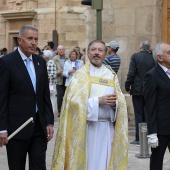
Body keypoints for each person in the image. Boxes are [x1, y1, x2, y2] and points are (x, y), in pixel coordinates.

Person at [51, 40, 128, 170]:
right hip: (86, 129)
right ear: (87, 53)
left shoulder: (111, 75)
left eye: (100, 50)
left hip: (106, 128)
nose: (96, 53)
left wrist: (116, 105)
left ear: (105, 53)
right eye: (93, 50)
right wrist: (98, 101)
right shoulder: (80, 76)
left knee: (105, 162)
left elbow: (120, 103)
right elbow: (72, 105)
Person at [0, 25, 54, 170]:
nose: (34, 43)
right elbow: (2, 98)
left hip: (38, 127)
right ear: (19, 40)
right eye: (29, 39)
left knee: (39, 166)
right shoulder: (6, 62)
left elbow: (44, 95)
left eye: (36, 39)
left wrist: (49, 121)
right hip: (17, 127)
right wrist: (2, 128)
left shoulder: (40, 62)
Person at [144, 42, 170, 170]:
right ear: (160, 57)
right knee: (156, 162)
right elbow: (150, 106)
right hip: (161, 130)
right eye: (169, 53)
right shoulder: (152, 75)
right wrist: (152, 132)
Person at [125, 40, 155, 145]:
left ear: (140, 47)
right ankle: (147, 136)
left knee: (138, 114)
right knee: (148, 113)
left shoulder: (135, 57)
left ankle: (139, 138)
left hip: (138, 90)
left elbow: (131, 73)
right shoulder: (153, 58)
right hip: (150, 90)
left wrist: (127, 85)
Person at [53, 45, 69, 117]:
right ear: (57, 51)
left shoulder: (68, 58)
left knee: (67, 96)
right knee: (59, 96)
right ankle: (59, 110)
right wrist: (59, 71)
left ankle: (67, 110)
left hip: (67, 79)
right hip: (59, 80)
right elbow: (53, 71)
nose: (61, 51)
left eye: (62, 49)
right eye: (60, 49)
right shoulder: (54, 59)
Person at [43, 50, 57, 116]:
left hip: (51, 84)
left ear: (47, 56)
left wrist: (43, 76)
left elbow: (52, 74)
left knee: (52, 100)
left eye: (44, 55)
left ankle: (52, 114)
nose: (43, 56)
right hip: (47, 84)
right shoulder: (46, 62)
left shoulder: (51, 63)